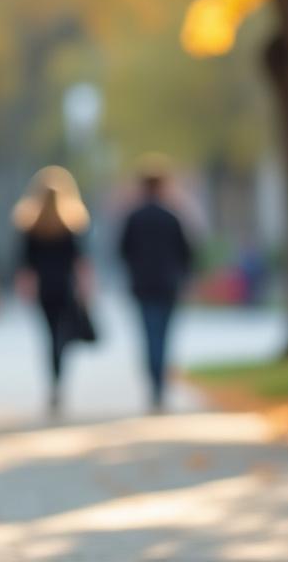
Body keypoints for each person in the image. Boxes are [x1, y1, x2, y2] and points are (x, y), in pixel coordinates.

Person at [12, 166, 93, 415]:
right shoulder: (72, 225)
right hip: (65, 287)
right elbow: (80, 261)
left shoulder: (31, 226)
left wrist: (25, 287)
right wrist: (85, 287)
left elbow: (25, 264)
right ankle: (59, 379)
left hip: (44, 289)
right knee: (61, 334)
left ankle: (53, 381)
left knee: (49, 334)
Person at [117, 158, 194, 413]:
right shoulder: (172, 217)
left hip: (142, 284)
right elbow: (187, 252)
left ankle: (154, 383)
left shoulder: (133, 218)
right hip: (167, 284)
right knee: (164, 334)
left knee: (149, 334)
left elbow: (122, 251)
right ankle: (160, 384)